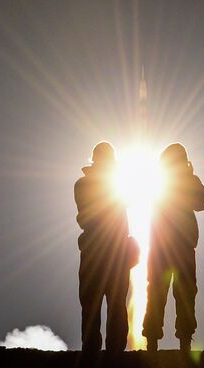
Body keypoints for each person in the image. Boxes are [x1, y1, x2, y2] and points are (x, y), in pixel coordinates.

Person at [142, 143, 204, 352]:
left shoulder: (185, 180)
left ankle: (182, 339)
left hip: (176, 247)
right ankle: (155, 339)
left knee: (181, 294)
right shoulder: (159, 179)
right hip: (165, 247)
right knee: (159, 292)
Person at [74, 141, 134, 352]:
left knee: (116, 305)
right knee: (92, 305)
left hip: (115, 252)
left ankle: (114, 353)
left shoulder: (118, 184)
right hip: (96, 252)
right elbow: (86, 218)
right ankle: (92, 352)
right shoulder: (83, 184)